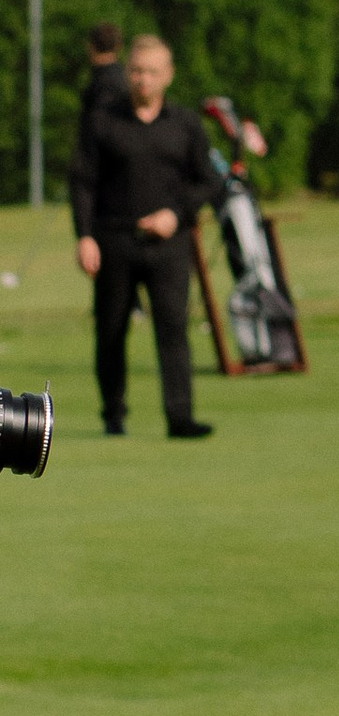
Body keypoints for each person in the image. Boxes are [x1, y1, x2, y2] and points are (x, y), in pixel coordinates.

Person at [70, 33, 219, 441]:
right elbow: (83, 182)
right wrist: (84, 236)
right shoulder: (103, 121)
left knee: (173, 328)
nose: (143, 80)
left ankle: (180, 417)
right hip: (114, 239)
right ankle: (113, 415)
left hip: (169, 244)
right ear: (127, 72)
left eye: (152, 72)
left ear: (168, 75)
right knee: (111, 330)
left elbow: (208, 181)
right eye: (136, 71)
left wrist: (176, 214)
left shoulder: (184, 124)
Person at [77, 22, 129, 130]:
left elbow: (98, 123)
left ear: (90, 47)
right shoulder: (124, 77)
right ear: (118, 46)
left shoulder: (102, 81)